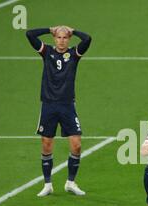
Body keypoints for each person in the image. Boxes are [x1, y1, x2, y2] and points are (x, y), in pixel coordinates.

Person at [26, 26, 92, 196]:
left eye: (65, 37)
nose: (62, 40)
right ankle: (47, 184)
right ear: (54, 38)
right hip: (49, 105)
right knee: (46, 144)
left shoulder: (74, 55)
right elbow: (29, 34)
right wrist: (49, 29)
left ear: (68, 39)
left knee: (76, 145)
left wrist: (74, 30)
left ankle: (71, 182)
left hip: (67, 105)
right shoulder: (46, 52)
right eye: (59, 37)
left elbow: (87, 39)